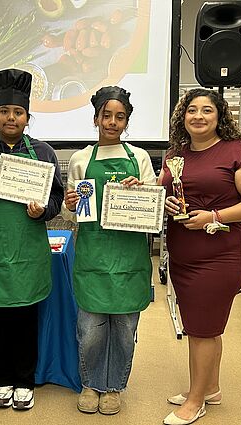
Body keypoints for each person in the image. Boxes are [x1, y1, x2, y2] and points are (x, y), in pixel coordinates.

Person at [160, 89, 241, 425]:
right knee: (204, 326)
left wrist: (214, 216)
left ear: (220, 116)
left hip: (220, 255)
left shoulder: (236, 152)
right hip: (183, 254)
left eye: (207, 110)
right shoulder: (176, 155)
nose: (198, 116)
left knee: (203, 329)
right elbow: (162, 193)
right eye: (191, 110)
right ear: (183, 117)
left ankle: (195, 401)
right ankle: (211, 388)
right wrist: (163, 203)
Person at [0, 68, 65, 411]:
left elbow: (56, 200)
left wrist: (43, 212)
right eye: (4, 112)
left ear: (27, 117)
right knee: (0, 319)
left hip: (28, 250)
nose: (11, 118)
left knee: (25, 318)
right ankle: (2, 379)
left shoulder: (44, 152)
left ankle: (24, 380)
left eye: (18, 112)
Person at [63, 86, 156, 415]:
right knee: (90, 330)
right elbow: (70, 213)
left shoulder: (140, 158)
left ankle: (115, 386)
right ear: (96, 118)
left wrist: (142, 192)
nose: (112, 122)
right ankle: (90, 383)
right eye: (107, 116)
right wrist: (69, 203)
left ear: (126, 121)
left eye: (120, 117)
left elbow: (153, 208)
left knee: (124, 329)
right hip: (93, 255)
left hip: (129, 257)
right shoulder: (80, 159)